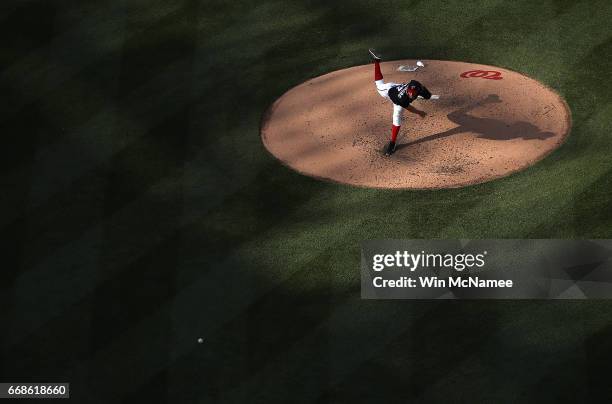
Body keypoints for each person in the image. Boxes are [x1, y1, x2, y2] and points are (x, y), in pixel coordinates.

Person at [369, 48, 435, 156]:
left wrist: (427, 95)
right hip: (389, 91)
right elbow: (410, 108)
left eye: (413, 94)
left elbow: (422, 90)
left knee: (397, 115)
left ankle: (392, 142)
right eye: (411, 94)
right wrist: (420, 112)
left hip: (398, 89)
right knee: (379, 86)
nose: (412, 96)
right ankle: (376, 61)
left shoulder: (416, 86)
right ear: (408, 92)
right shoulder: (402, 98)